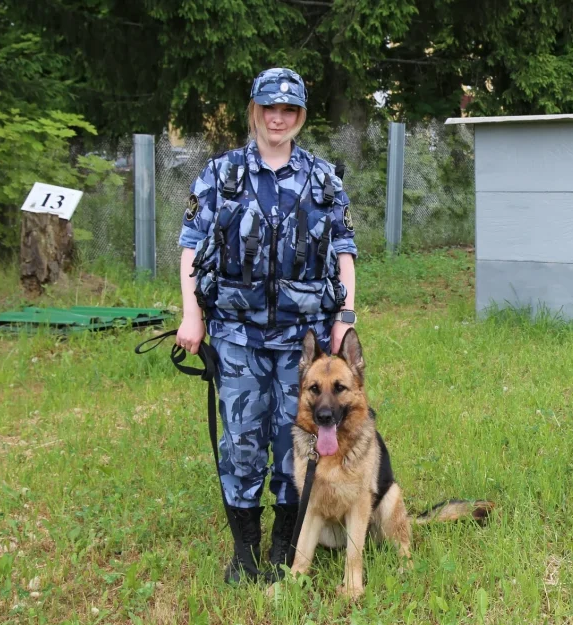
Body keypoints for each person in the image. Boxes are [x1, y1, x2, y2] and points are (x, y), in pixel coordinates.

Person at [175, 67, 358, 584]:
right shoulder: (221, 174)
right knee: (240, 443)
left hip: (304, 342)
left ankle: (284, 543)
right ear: (254, 111)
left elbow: (344, 252)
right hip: (236, 335)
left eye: (289, 110)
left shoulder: (323, 178)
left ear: (300, 116)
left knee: (296, 440)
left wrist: (345, 319)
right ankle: (245, 550)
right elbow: (191, 247)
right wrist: (192, 314)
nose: (278, 118)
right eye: (269, 108)